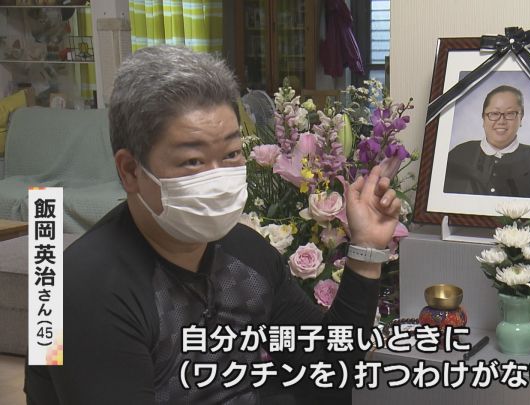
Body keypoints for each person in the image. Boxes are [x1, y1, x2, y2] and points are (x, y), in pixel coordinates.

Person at [24, 45, 401, 405]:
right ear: (130, 170)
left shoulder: (246, 252)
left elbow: (327, 371)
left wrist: (366, 249)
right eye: (193, 161)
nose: (218, 178)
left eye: (232, 153)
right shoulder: (75, 289)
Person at [443, 85, 530, 198]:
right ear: (483, 118)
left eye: (510, 113)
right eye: (494, 114)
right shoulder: (458, 155)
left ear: (521, 118)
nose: (501, 121)